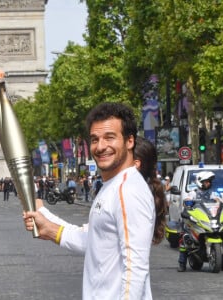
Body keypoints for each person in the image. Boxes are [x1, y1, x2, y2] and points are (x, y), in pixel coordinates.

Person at [23, 102, 156, 299]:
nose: (101, 146)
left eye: (109, 138)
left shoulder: (127, 190)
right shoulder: (112, 186)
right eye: (95, 139)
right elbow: (94, 243)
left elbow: (135, 268)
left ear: (130, 141)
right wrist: (48, 224)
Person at [177, 171, 223, 272]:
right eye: (206, 181)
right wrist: (187, 206)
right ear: (200, 182)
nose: (208, 183)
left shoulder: (214, 193)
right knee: (184, 237)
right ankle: (182, 263)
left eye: (209, 182)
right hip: (197, 219)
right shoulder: (193, 193)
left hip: (211, 218)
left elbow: (222, 203)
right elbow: (187, 203)